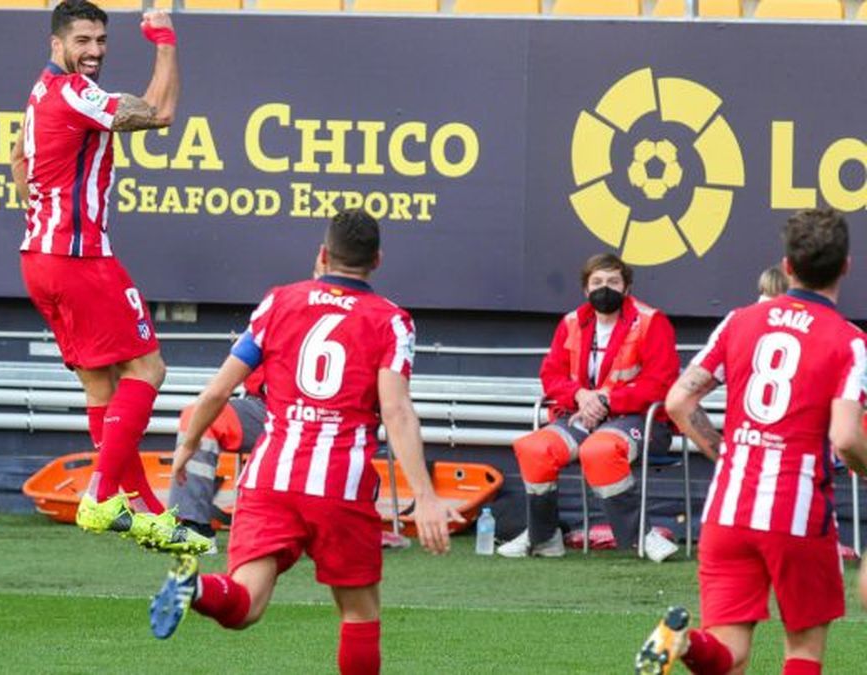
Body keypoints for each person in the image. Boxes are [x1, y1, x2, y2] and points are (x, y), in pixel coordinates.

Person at [146, 209, 461, 675]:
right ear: (377, 259)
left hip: (270, 477)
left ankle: (195, 589)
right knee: (358, 613)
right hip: (339, 484)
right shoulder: (392, 321)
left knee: (246, 602)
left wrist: (189, 442)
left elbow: (216, 391)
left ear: (321, 254)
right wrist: (427, 496)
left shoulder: (279, 302)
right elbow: (395, 411)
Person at [8, 1, 207, 554]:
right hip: (79, 260)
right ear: (56, 44)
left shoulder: (41, 92)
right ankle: (100, 496)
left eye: (100, 40)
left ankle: (144, 513)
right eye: (82, 41)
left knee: (101, 386)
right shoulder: (74, 93)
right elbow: (159, 113)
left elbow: (19, 165)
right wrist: (164, 40)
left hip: (38, 260)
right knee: (149, 367)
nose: (93, 51)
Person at [638, 208, 867, 675]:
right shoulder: (849, 341)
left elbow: (679, 400)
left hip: (729, 508)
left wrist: (728, 455)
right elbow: (845, 437)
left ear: (787, 266)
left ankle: (683, 644)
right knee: (802, 650)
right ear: (846, 265)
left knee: (728, 653)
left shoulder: (740, 321)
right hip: (797, 512)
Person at [498, 253, 680, 560]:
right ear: (585, 289)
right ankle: (544, 538)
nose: (604, 288)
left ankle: (641, 537)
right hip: (580, 415)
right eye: (597, 282)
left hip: (639, 420)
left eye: (612, 281)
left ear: (627, 288)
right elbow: (551, 375)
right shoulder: (571, 322)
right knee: (533, 448)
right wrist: (581, 396)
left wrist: (608, 400)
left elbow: (660, 383)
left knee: (599, 451)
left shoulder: (651, 321)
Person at [167, 368, 266, 538]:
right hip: (266, 406)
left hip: (317, 413)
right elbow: (219, 388)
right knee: (198, 415)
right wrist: (189, 446)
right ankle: (194, 525)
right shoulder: (257, 340)